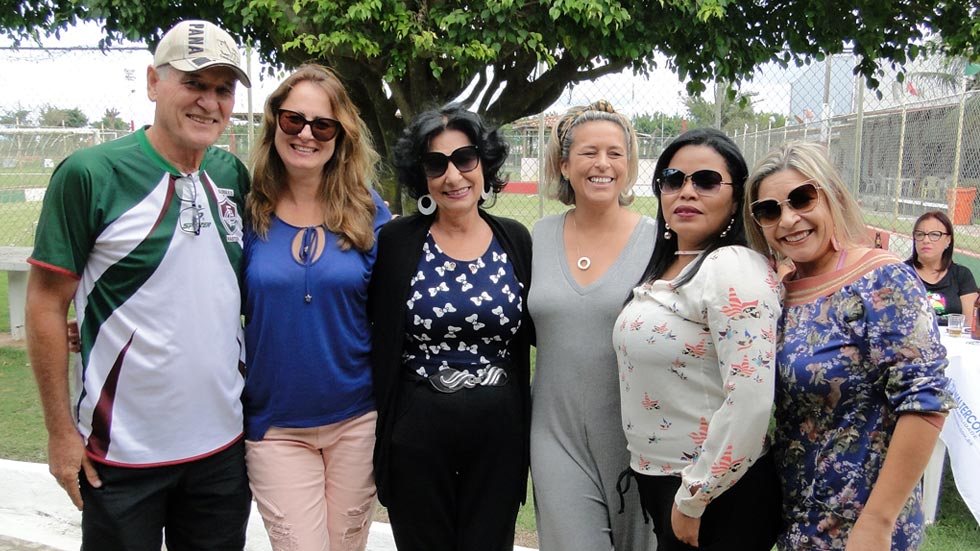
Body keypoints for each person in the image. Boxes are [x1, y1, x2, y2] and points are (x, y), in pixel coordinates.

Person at [25, 20, 252, 550]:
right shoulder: (90, 174)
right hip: (120, 455)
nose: (209, 102)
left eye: (222, 89)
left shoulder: (231, 174)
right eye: (193, 83)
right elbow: (45, 303)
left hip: (222, 452)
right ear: (153, 83)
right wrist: (60, 433)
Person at [744, 141, 949, 550]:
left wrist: (877, 521)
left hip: (865, 529)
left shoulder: (880, 280)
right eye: (769, 210)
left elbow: (925, 402)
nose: (789, 219)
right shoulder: (778, 293)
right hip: (798, 522)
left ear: (832, 196)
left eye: (802, 198)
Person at [368, 104, 533, 551]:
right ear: (421, 175)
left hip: (498, 436)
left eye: (465, 158)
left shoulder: (515, 240)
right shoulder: (397, 243)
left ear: (484, 163)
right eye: (435, 164)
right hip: (416, 434)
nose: (453, 175)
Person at [242, 64, 391, 551]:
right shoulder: (247, 212)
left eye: (322, 125)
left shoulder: (370, 213)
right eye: (294, 120)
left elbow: (398, 309)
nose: (306, 134)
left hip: (357, 421)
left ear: (340, 136)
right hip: (276, 427)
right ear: (275, 123)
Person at [613, 128, 783, 550]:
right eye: (673, 180)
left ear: (735, 197)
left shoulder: (732, 266)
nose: (686, 191)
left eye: (706, 181)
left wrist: (695, 497)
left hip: (714, 494)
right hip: (668, 483)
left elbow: (750, 399)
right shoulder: (672, 266)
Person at [529, 100, 658, 550]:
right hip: (556, 437)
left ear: (629, 165)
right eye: (588, 152)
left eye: (615, 153)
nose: (602, 164)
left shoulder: (660, 241)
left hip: (640, 442)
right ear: (564, 165)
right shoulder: (537, 238)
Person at [906, 210, 978, 327]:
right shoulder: (901, 274)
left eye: (934, 235)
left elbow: (970, 324)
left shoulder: (962, 275)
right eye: (920, 234)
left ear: (948, 240)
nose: (926, 240)